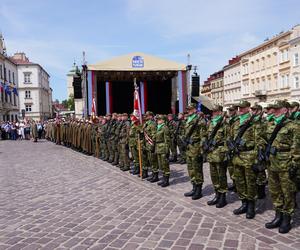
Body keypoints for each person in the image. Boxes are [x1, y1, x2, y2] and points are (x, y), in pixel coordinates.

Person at [264, 100, 300, 234]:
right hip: (272, 163)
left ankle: (287, 218)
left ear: (285, 110)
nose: (275, 111)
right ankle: (278, 215)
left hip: (286, 164)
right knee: (275, 191)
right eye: (274, 108)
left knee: (287, 192)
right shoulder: (271, 123)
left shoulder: (293, 126)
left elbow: (296, 148)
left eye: (278, 109)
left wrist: (294, 165)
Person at [231, 100, 257, 219]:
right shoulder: (236, 122)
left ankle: (251, 206)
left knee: (250, 182)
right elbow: (231, 137)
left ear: (248, 108)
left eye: (242, 107)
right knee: (240, 181)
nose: (240, 110)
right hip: (237, 156)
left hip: (249, 156)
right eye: (238, 108)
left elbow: (260, 141)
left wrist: (246, 144)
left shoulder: (255, 121)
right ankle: (244, 203)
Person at [204, 105, 228, 208]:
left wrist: (224, 152)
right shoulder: (210, 123)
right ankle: (217, 195)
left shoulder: (224, 123)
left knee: (221, 175)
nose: (213, 113)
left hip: (219, 153)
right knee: (214, 175)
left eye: (215, 111)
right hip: (211, 153)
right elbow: (205, 135)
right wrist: (205, 143)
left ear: (220, 112)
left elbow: (228, 139)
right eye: (212, 111)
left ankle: (222, 197)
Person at [183, 103, 207, 200]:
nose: (188, 111)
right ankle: (194, 187)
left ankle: (199, 190)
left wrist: (201, 150)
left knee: (197, 169)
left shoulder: (199, 120)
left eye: (190, 109)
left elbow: (203, 136)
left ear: (194, 109)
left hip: (196, 147)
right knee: (191, 169)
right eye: (187, 109)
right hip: (189, 147)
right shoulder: (188, 119)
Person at [155, 115, 171, 187]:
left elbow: (167, 140)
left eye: (159, 119)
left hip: (163, 148)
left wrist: (167, 150)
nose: (157, 120)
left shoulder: (165, 127)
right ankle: (163, 179)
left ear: (163, 120)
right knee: (161, 165)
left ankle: (166, 181)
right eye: (157, 119)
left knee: (165, 164)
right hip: (158, 148)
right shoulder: (158, 127)